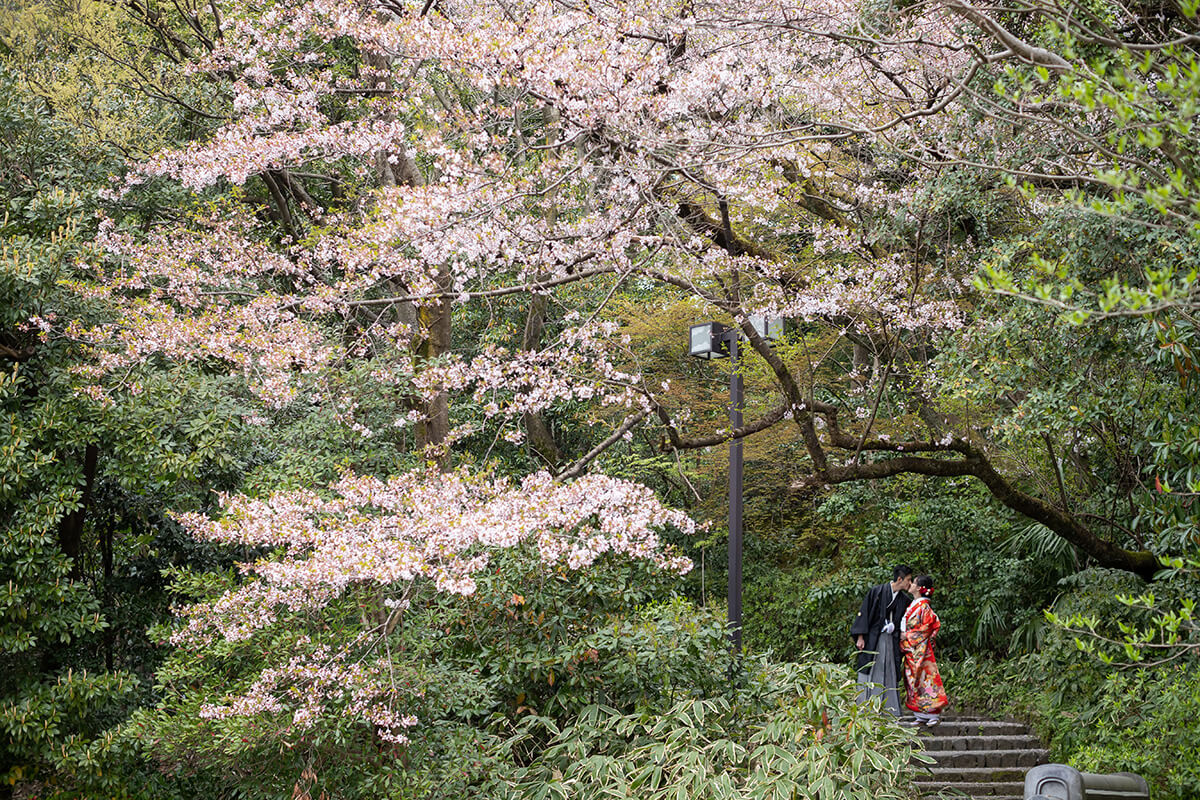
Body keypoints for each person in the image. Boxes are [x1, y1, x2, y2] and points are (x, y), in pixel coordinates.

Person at [850, 565, 914, 716]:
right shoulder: (877, 592)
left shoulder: (904, 600)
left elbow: (906, 621)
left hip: (891, 639)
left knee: (890, 670)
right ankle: (866, 707)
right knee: (870, 668)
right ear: (899, 579)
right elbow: (864, 613)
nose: (909, 584)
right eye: (908, 580)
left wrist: (896, 628)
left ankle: (889, 709)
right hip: (873, 638)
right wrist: (860, 637)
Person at [900, 575, 949, 726]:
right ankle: (920, 714)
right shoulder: (916, 604)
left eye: (914, 583)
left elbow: (927, 628)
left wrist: (906, 635)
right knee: (913, 680)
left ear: (920, 588)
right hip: (912, 649)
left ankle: (933, 713)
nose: (911, 585)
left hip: (920, 648)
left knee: (926, 679)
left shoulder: (924, 607)